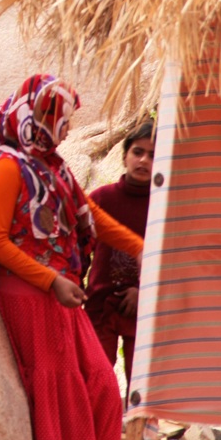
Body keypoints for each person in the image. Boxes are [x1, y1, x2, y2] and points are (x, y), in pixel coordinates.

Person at [0, 74, 143, 440]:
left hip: (61, 292)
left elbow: (92, 219)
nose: (68, 129)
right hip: (31, 295)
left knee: (101, 391)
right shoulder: (8, 167)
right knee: (61, 402)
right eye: (61, 120)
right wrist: (50, 280)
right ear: (38, 118)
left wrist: (142, 248)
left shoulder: (53, 166)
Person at [85, 118, 155, 398]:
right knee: (94, 381)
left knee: (142, 388)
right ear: (125, 155)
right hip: (100, 305)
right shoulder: (101, 199)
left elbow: (173, 261)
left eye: (153, 155)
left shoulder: (164, 207)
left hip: (146, 309)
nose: (144, 160)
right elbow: (79, 247)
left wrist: (143, 290)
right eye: (138, 152)